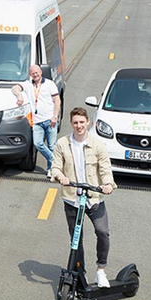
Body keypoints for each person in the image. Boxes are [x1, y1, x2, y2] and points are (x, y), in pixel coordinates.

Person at [49, 107, 115, 288]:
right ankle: (80, 272)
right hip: (72, 198)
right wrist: (60, 176)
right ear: (72, 124)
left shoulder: (98, 144)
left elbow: (105, 168)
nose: (79, 126)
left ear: (88, 123)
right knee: (76, 238)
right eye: (75, 123)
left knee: (102, 231)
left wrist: (108, 184)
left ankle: (101, 270)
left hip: (93, 197)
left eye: (82, 122)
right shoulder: (62, 144)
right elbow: (55, 167)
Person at [13, 64, 61, 174]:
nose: (35, 74)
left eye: (37, 72)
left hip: (50, 120)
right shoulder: (28, 84)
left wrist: (55, 116)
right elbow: (15, 88)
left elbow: (57, 101)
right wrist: (19, 95)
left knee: (52, 145)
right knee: (38, 143)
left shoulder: (50, 84)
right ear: (30, 74)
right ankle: (54, 160)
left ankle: (51, 169)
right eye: (33, 73)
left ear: (41, 72)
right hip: (37, 122)